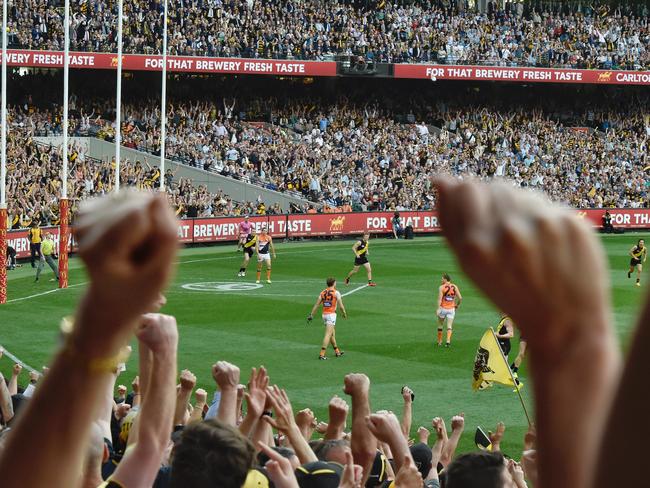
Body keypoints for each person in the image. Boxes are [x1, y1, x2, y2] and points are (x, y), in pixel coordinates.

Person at [308, 277, 347, 360]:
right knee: (328, 334)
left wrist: (311, 314)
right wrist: (344, 313)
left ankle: (337, 352)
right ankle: (322, 354)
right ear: (334, 283)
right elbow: (341, 306)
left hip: (324, 315)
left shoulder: (323, 293)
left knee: (331, 334)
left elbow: (317, 305)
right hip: (331, 315)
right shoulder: (336, 293)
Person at [436, 274, 462, 347]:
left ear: (445, 279)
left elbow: (439, 299)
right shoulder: (455, 286)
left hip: (443, 308)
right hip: (451, 309)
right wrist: (457, 305)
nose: (441, 280)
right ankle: (448, 342)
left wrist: (438, 309)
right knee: (449, 325)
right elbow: (460, 298)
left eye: (442, 279)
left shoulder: (441, 287)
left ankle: (439, 341)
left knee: (440, 324)